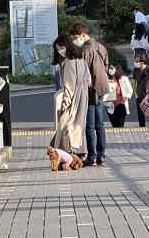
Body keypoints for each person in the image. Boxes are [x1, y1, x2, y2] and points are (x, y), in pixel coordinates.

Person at [70, 21, 111, 167]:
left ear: (82, 35)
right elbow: (106, 66)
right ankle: (102, 156)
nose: (75, 41)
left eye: (76, 37)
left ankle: (92, 157)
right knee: (100, 124)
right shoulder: (101, 47)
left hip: (90, 90)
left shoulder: (85, 51)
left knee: (89, 125)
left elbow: (82, 72)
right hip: (102, 88)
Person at [51, 34, 88, 161]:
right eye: (58, 49)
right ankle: (80, 153)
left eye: (61, 48)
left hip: (73, 99)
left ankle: (64, 155)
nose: (60, 51)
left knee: (64, 124)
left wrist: (65, 102)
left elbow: (69, 85)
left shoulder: (68, 63)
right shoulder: (80, 59)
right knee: (78, 125)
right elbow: (88, 79)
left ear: (67, 46)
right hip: (83, 96)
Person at [107, 63, 134, 128]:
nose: (110, 70)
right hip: (111, 106)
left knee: (120, 126)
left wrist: (127, 96)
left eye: (112, 68)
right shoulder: (108, 79)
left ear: (117, 70)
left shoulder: (123, 79)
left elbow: (130, 89)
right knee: (114, 125)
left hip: (121, 104)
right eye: (109, 68)